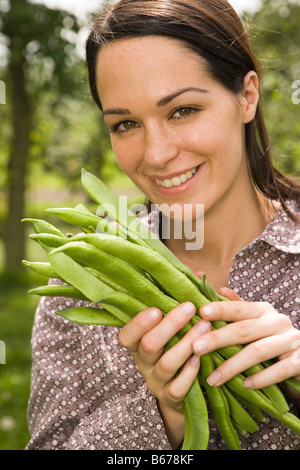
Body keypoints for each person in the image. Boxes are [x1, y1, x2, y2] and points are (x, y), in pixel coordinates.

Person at [26, 0, 300, 450]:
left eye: (182, 110)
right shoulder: (80, 281)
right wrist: (162, 413)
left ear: (247, 96)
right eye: (126, 123)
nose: (155, 154)